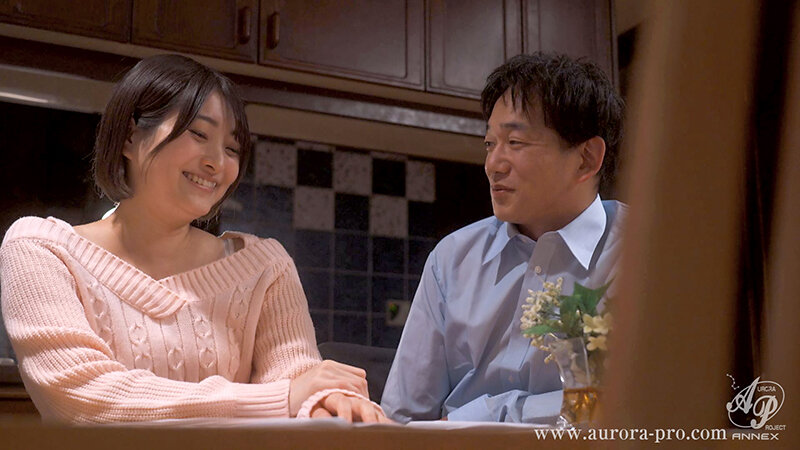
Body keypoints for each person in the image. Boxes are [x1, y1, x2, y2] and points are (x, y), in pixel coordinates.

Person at [0, 54, 388, 424]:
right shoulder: (42, 249)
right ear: (130, 138)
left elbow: (296, 375)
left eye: (232, 148)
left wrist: (328, 401)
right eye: (198, 134)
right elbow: (82, 397)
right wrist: (282, 398)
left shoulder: (265, 266)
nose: (217, 162)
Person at [381, 52, 626, 423]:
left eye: (515, 142)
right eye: (489, 144)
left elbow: (640, 403)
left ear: (586, 159)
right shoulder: (453, 259)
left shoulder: (641, 252)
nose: (493, 165)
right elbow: (402, 418)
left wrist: (484, 416)